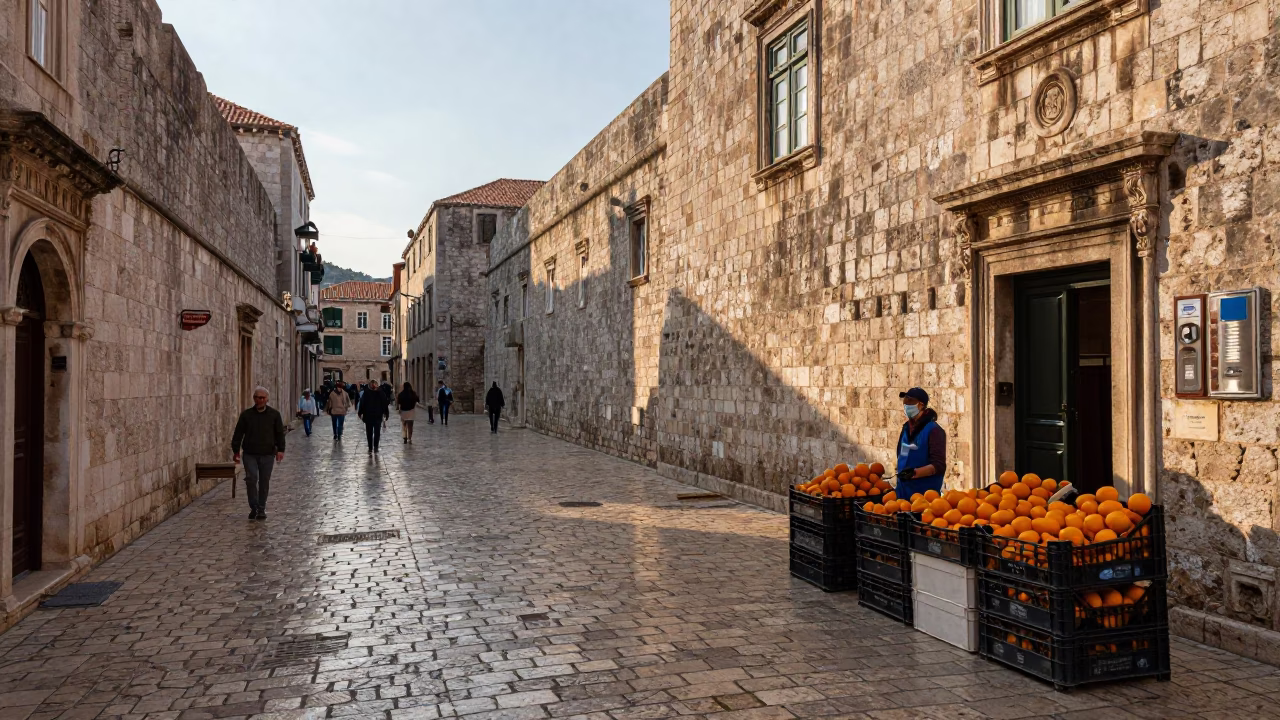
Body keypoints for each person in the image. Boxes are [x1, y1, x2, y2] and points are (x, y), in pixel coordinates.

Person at [231, 386, 285, 520]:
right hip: (250, 454)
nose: (259, 400)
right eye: (256, 397)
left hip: (267, 454)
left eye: (262, 398)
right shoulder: (246, 415)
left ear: (267, 399)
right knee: (251, 479)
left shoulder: (274, 415)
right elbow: (238, 433)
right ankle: (253, 506)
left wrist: (281, 450)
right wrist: (236, 450)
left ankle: (261, 508)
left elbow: (279, 434)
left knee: (264, 481)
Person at [895, 387, 947, 498]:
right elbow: (901, 455)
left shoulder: (934, 430)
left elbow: (938, 466)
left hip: (924, 497)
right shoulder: (905, 428)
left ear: (921, 405)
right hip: (902, 494)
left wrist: (915, 473)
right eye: (905, 401)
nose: (907, 405)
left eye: (911, 401)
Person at [358, 379, 391, 453]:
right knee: (376, 432)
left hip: (369, 416)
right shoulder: (381, 393)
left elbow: (362, 404)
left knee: (369, 432)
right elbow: (385, 404)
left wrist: (360, 412)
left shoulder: (366, 393)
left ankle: (371, 447)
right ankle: (375, 446)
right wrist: (386, 413)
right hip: (377, 415)